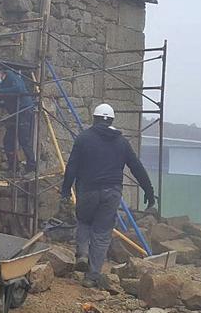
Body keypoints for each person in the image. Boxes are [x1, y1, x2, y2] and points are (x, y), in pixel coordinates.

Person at [60, 103, 156, 288]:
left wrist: (65, 191)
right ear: (111, 120)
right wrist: (149, 191)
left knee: (84, 221)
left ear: (95, 119)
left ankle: (82, 254)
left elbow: (71, 167)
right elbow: (136, 167)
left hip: (87, 190)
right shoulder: (121, 142)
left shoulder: (83, 138)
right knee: (102, 233)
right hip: (112, 193)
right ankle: (92, 276)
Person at [0, 66, 36, 174]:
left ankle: (32, 166)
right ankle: (13, 167)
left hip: (24, 110)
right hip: (14, 113)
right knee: (8, 141)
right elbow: (3, 98)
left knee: (24, 139)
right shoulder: (1, 84)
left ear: (1, 72)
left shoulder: (12, 76)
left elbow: (19, 90)